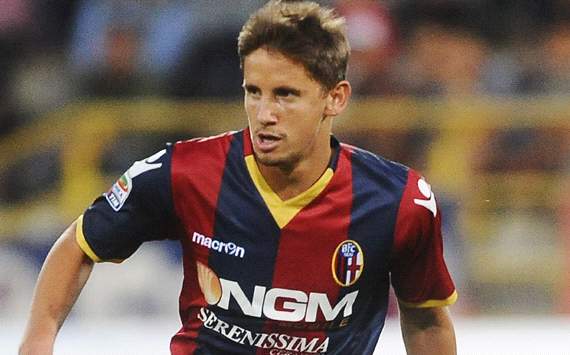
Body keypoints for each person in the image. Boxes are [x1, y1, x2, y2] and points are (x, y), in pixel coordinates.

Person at [19, 1, 457, 354]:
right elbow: (80, 243)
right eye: (254, 92)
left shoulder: (399, 200)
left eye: (286, 94)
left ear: (335, 98)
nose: (265, 114)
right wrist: (39, 337)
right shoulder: (184, 171)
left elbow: (425, 320)